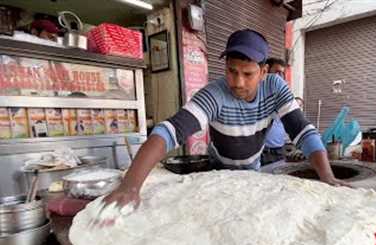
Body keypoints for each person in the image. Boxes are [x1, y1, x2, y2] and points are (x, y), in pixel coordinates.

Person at [104, 29, 345, 210]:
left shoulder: (275, 88)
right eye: (231, 71)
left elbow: (302, 131)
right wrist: (130, 186)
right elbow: (168, 132)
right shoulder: (214, 94)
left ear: (263, 72)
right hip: (216, 177)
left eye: (248, 74)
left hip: (254, 174)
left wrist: (327, 176)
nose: (238, 82)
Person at [262, 58, 288, 165]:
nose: (280, 77)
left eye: (282, 73)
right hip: (262, 153)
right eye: (277, 72)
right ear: (265, 71)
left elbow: (297, 125)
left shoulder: (283, 98)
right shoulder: (256, 96)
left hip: (279, 151)